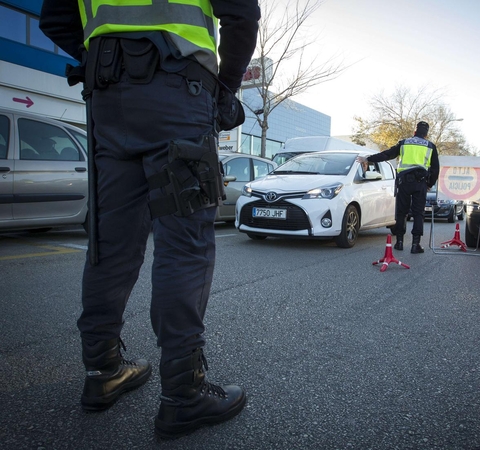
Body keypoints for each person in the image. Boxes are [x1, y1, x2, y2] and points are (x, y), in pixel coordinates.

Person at [39, 0, 260, 439]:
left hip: (107, 95)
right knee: (184, 247)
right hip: (178, 94)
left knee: (110, 242)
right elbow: (242, 15)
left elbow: (54, 19)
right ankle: (183, 394)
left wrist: (102, 55)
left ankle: (102, 369)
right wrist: (225, 88)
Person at [357, 121, 439, 253]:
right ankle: (415, 245)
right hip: (420, 182)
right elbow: (435, 169)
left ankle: (399, 242)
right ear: (426, 134)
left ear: (414, 132)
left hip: (404, 182)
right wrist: (429, 184)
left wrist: (368, 159)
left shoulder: (404, 143)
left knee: (401, 212)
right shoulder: (430, 146)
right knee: (418, 213)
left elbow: (386, 154)